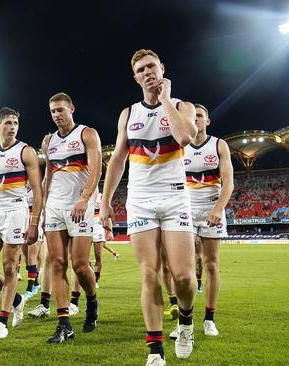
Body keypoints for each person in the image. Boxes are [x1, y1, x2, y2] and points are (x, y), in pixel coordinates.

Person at [100, 49, 198, 364]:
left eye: (151, 67)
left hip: (174, 198)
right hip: (140, 201)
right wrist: (105, 202)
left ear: (162, 68)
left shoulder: (183, 106)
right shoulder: (128, 114)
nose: (147, 73)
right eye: (141, 70)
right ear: (135, 77)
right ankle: (155, 351)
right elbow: (117, 160)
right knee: (148, 274)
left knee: (183, 276)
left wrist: (166, 98)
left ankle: (185, 320)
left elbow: (185, 137)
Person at [0, 107, 42, 339]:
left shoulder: (26, 152)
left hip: (16, 211)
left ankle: (2, 322)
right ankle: (16, 299)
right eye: (7, 123)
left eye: (15, 122)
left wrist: (34, 222)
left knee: (9, 267)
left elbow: (37, 189)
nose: (12, 126)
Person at [42, 92, 103, 343]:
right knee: (57, 263)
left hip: (80, 206)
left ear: (72, 109)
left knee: (79, 265)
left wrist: (85, 198)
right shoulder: (49, 141)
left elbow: (97, 168)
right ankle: (63, 323)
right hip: (55, 206)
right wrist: (43, 206)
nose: (57, 115)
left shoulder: (87, 134)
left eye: (61, 110)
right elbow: (48, 174)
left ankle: (92, 302)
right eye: (53, 111)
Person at [182, 103, 234, 337]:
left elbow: (228, 182)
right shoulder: (180, 147)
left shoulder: (218, 145)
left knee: (211, 264)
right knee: (187, 266)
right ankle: (185, 320)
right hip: (185, 210)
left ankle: (209, 318)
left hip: (212, 208)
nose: (196, 120)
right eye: (192, 117)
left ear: (207, 121)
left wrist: (217, 209)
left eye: (200, 116)